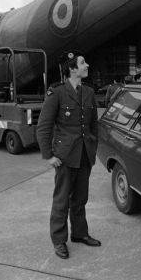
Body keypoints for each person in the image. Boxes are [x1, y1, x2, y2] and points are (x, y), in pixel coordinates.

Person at [36, 51, 101, 259]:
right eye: (83, 63)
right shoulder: (57, 93)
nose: (86, 65)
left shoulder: (89, 92)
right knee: (62, 200)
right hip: (64, 156)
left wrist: (93, 148)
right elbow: (43, 127)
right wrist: (49, 156)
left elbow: (93, 125)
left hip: (84, 154)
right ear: (72, 68)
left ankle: (80, 234)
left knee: (80, 198)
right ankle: (59, 240)